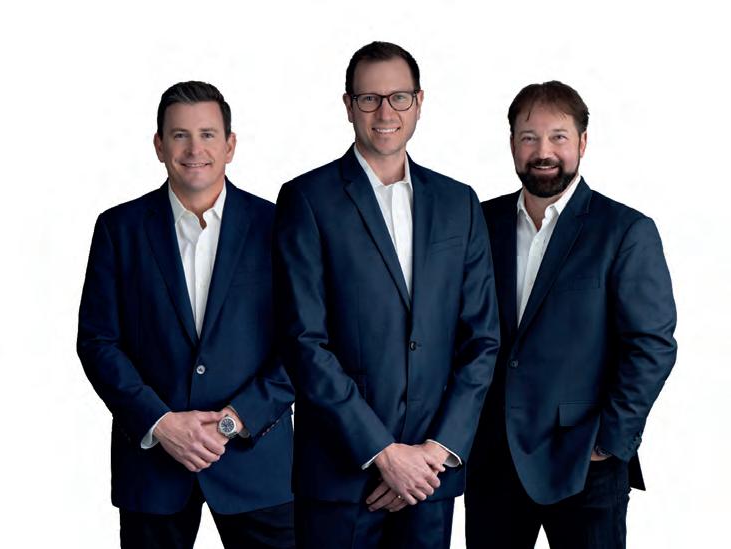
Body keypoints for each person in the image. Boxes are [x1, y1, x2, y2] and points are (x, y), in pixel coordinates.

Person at [273, 41, 500, 549]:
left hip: (431, 480)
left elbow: (482, 340)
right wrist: (384, 453)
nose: (385, 112)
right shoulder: (307, 199)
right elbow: (302, 341)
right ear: (348, 105)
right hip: (339, 476)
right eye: (369, 99)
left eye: (398, 97)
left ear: (419, 102)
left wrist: (434, 453)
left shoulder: (459, 202)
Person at [77, 81, 295, 549]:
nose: (195, 149)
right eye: (180, 135)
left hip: (258, 464)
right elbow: (98, 342)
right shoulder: (119, 229)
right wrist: (161, 422)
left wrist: (235, 419)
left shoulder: (279, 226)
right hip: (153, 468)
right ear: (159, 146)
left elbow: (304, 340)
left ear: (230, 145)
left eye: (208, 134)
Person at [465, 80, 677, 549]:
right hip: (493, 459)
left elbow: (652, 345)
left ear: (582, 142)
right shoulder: (479, 222)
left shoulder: (624, 231)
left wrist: (610, 442)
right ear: (512, 144)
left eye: (558, 136)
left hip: (584, 462)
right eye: (529, 137)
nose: (543, 151)